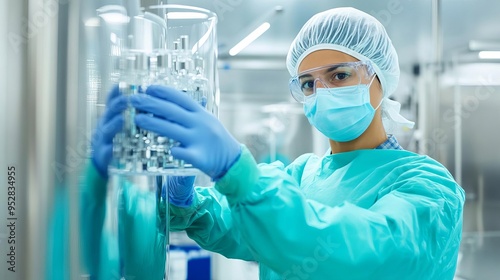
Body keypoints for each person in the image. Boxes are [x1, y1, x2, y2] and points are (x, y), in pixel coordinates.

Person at [84, 7, 465, 280]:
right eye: (308, 84)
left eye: (340, 75)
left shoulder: (429, 187)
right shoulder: (302, 173)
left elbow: (360, 252)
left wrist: (239, 173)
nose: (322, 91)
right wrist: (190, 202)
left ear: (382, 79)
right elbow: (243, 229)